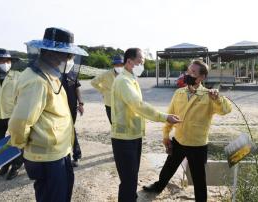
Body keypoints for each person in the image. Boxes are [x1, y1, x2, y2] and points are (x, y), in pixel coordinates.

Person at [8, 27, 88, 202]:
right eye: (68, 56)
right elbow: (20, 122)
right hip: (45, 156)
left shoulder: (50, 75)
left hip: (58, 152)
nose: (70, 60)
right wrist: (21, 145)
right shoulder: (36, 81)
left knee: (63, 193)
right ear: (54, 54)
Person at [143, 60, 232, 202]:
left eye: (193, 72)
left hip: (198, 145)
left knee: (199, 179)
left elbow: (226, 110)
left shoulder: (209, 95)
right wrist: (166, 135)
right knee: (167, 169)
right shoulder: (179, 93)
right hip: (179, 141)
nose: (188, 74)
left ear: (202, 77)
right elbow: (169, 115)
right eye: (188, 71)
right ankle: (158, 186)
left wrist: (218, 99)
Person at [111, 48, 181, 202]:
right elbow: (138, 105)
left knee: (132, 175)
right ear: (129, 61)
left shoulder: (131, 78)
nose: (142, 63)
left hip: (133, 135)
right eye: (140, 60)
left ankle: (130, 198)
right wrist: (164, 117)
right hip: (124, 138)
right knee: (128, 179)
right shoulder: (123, 80)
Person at [0, 48, 23, 180]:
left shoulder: (18, 76)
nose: (4, 62)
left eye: (7, 60)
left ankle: (16, 166)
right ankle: (6, 163)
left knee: (16, 140)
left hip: (14, 115)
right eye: (1, 60)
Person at [91, 54, 124, 124]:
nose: (119, 66)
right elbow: (93, 82)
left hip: (122, 103)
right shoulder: (106, 74)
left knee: (123, 123)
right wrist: (102, 91)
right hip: (110, 103)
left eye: (121, 64)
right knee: (113, 123)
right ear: (113, 65)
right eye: (117, 64)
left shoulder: (125, 74)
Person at [61, 70, 84, 167]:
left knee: (70, 129)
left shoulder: (73, 74)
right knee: (67, 130)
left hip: (72, 107)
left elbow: (77, 89)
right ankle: (73, 155)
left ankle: (75, 155)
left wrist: (81, 103)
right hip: (59, 108)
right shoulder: (55, 72)